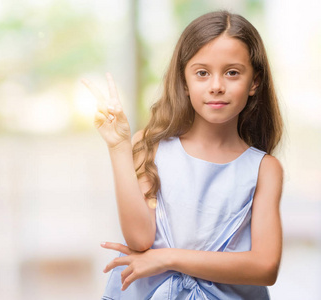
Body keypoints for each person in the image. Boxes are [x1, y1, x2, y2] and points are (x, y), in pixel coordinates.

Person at [82, 10, 283, 300]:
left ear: (254, 83)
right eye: (202, 73)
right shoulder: (150, 145)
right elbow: (139, 239)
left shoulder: (264, 168)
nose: (216, 85)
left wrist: (167, 258)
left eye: (232, 73)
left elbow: (265, 267)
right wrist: (118, 148)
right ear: (184, 81)